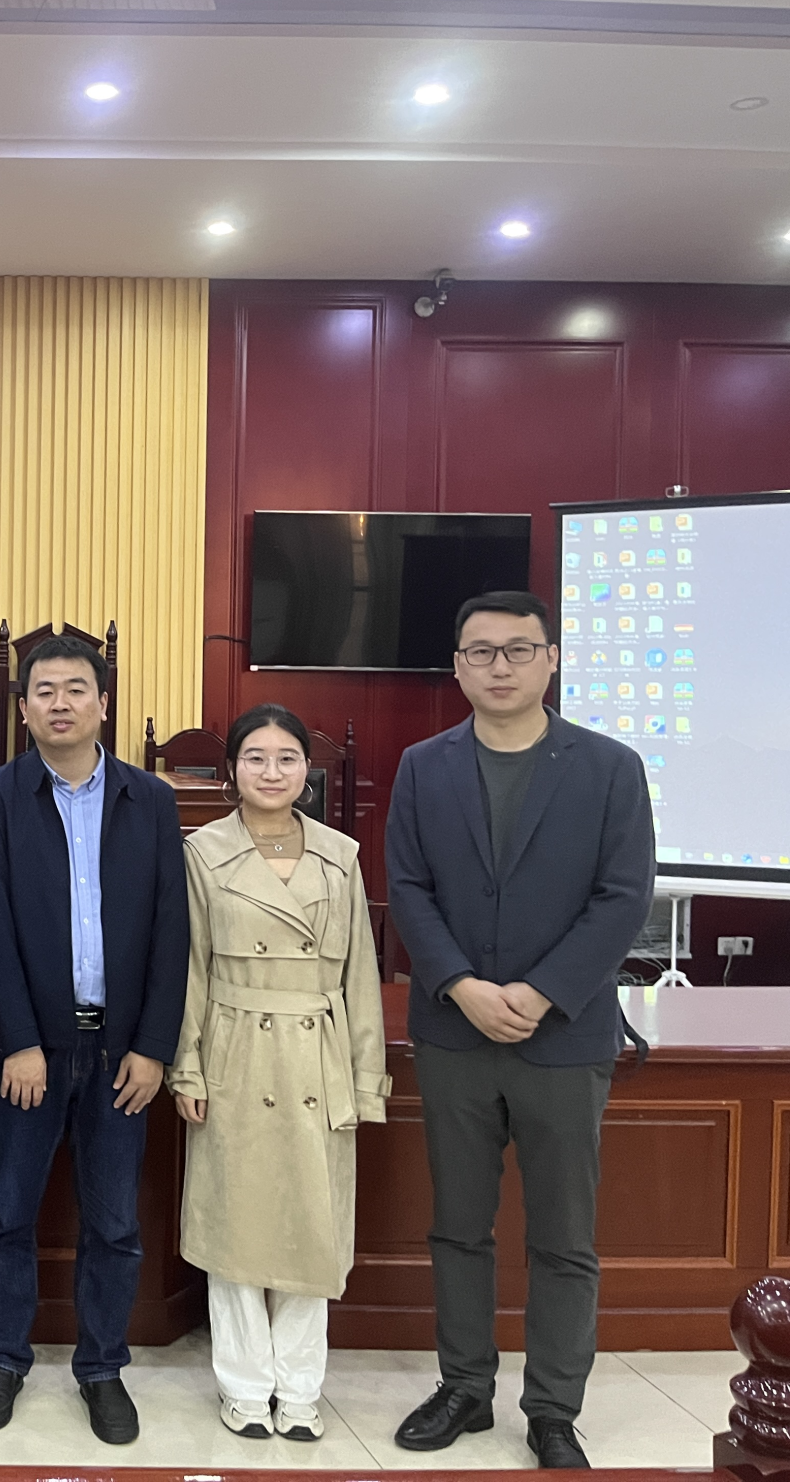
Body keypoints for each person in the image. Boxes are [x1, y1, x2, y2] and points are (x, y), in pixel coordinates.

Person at [386, 590, 654, 1469]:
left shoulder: (610, 767)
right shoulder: (423, 765)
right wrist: (461, 985)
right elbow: (408, 888)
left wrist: (542, 992)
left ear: (551, 659)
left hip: (563, 1037)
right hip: (455, 1032)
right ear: (457, 666)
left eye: (517, 649)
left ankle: (553, 1410)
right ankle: (464, 1387)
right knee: (458, 1226)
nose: (498, 666)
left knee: (563, 1237)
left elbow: (623, 897)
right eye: (480, 651)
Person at [0, 634, 189, 1445]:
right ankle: (3, 1359)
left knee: (115, 1224)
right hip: (32, 1051)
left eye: (76, 689)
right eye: (45, 691)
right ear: (23, 708)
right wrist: (18, 1039)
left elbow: (171, 929)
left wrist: (154, 1046)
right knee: (6, 1215)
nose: (60, 703)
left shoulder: (150, 799)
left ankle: (101, 1367)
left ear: (103, 702)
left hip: (122, 1052)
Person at [167, 704, 389, 1443]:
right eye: (255, 758)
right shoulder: (202, 853)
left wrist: (365, 1080)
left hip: (317, 1057)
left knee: (308, 1231)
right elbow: (190, 969)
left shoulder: (340, 855)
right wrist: (186, 1068)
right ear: (231, 770)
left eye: (286, 758)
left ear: (307, 770)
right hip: (235, 1050)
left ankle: (300, 1389)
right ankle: (243, 1386)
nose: (271, 771)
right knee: (236, 1230)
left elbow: (360, 978)